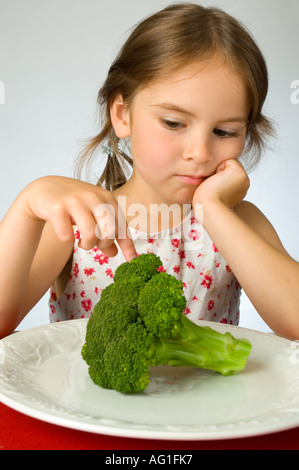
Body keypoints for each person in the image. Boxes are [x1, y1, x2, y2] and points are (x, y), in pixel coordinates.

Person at [0, 3, 298, 340]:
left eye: (224, 132)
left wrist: (212, 209)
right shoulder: (79, 223)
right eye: (173, 123)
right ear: (122, 115)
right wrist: (27, 205)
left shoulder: (240, 223)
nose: (199, 153)